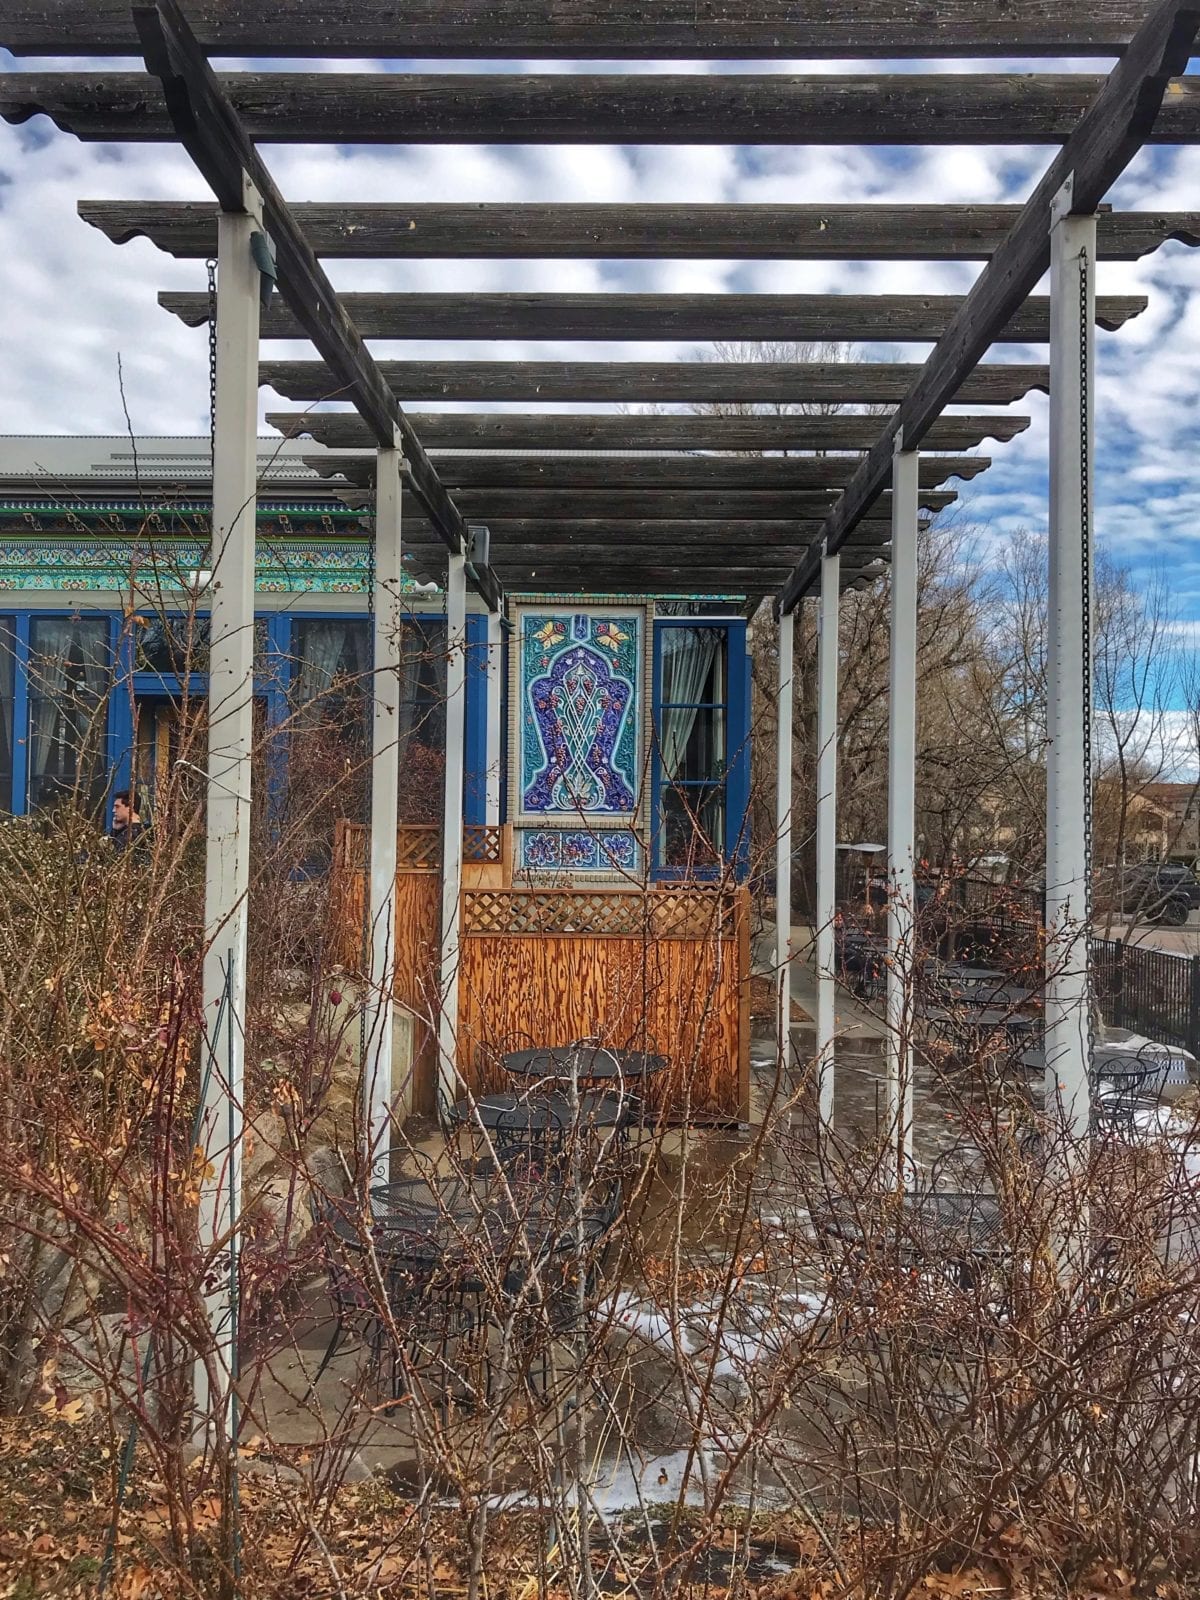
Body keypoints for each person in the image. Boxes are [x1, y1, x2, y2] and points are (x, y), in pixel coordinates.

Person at [111, 789, 147, 854]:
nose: (113, 810)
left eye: (117, 807)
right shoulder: (141, 830)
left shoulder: (132, 834)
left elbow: (115, 858)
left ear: (130, 808)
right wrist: (116, 831)